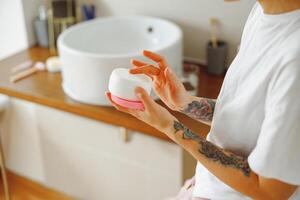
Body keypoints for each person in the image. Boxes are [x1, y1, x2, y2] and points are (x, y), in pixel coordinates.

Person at [106, 0, 300, 199]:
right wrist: (185, 103)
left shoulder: (294, 58)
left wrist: (170, 126)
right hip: (207, 186)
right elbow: (248, 119)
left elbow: (269, 190)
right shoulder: (263, 12)